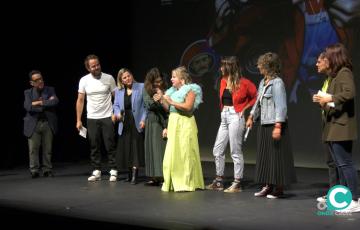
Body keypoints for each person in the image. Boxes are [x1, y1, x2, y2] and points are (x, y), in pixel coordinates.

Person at [312, 43, 359, 212]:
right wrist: (323, 101)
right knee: (340, 164)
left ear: (334, 57)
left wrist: (328, 98)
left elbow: (349, 93)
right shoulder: (335, 76)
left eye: (327, 56)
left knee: (345, 164)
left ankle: (355, 199)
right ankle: (345, 197)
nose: (325, 59)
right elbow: (334, 103)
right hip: (334, 126)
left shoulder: (344, 72)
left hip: (341, 127)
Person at [246, 52, 296, 199]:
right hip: (264, 124)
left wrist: (278, 126)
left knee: (276, 157)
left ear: (268, 66)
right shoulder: (263, 82)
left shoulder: (277, 83)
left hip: (274, 124)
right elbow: (258, 102)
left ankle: (278, 188)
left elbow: (281, 106)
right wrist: (251, 116)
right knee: (266, 157)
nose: (258, 66)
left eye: (261, 64)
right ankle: (268, 186)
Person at [206, 56, 257, 193]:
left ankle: (237, 182)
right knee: (217, 149)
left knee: (235, 151)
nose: (220, 68)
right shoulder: (223, 81)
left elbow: (256, 97)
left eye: (223, 66)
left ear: (229, 68)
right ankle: (219, 181)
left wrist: (245, 109)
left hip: (236, 116)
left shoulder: (244, 83)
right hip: (224, 116)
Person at [160, 66, 205, 192]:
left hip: (185, 123)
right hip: (174, 123)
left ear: (182, 79)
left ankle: (186, 182)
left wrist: (171, 102)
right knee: (172, 154)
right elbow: (169, 109)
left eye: (174, 77)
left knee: (185, 153)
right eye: (172, 76)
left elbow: (188, 107)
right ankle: (173, 182)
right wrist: (162, 100)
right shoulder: (172, 91)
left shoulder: (190, 89)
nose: (171, 79)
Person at [76, 54, 118, 182]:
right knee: (94, 144)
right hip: (92, 117)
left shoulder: (109, 78)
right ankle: (96, 170)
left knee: (110, 143)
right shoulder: (84, 80)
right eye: (93, 66)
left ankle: (113, 169)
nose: (96, 67)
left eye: (98, 65)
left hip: (107, 116)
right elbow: (80, 100)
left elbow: (116, 97)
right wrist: (78, 119)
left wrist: (115, 112)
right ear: (88, 68)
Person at [113, 68, 147, 185]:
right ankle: (128, 174)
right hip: (124, 122)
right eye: (124, 77)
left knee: (135, 148)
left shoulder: (141, 87)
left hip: (136, 121)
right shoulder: (118, 90)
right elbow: (116, 105)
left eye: (129, 76)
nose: (128, 78)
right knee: (126, 148)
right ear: (121, 80)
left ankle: (135, 175)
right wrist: (117, 114)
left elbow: (145, 106)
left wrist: (143, 120)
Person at [314, 52, 339, 203]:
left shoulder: (337, 79)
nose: (316, 64)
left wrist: (325, 101)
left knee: (339, 162)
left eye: (319, 61)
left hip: (336, 126)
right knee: (331, 161)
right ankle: (334, 192)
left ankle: (342, 194)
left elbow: (339, 102)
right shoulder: (328, 80)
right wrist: (321, 100)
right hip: (327, 124)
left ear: (327, 62)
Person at [24, 70, 59, 178]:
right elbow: (28, 107)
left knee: (47, 149)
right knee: (33, 149)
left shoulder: (50, 90)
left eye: (41, 78)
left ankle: (47, 169)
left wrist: (39, 102)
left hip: (47, 123)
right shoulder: (28, 92)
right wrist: (46, 104)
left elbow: (55, 101)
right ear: (32, 83)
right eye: (37, 80)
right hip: (33, 124)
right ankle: (34, 170)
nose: (40, 81)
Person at [143, 67, 168, 186]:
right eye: (156, 82)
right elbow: (148, 105)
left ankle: (163, 175)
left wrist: (162, 98)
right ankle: (154, 176)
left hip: (163, 120)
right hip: (152, 121)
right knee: (152, 149)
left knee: (161, 148)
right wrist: (155, 101)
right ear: (151, 81)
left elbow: (168, 107)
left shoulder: (165, 89)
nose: (159, 84)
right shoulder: (146, 89)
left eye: (160, 81)